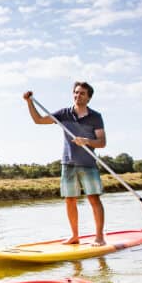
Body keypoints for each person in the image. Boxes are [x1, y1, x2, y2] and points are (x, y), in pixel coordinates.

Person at [23, 82, 106, 245]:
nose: (78, 95)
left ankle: (99, 237)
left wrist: (87, 141)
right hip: (68, 163)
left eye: (82, 93)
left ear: (89, 97)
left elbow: (102, 142)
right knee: (70, 200)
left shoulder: (96, 117)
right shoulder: (64, 114)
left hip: (88, 164)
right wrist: (29, 102)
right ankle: (75, 236)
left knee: (94, 199)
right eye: (76, 92)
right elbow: (38, 120)